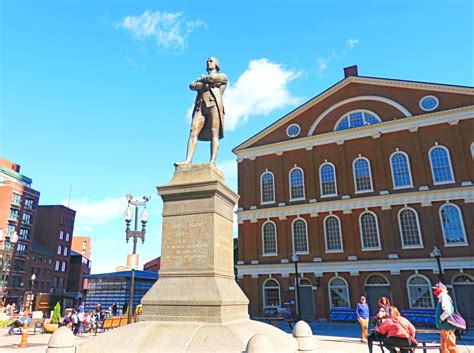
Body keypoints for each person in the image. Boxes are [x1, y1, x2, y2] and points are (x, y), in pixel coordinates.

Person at [176, 57, 228, 166]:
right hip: (200, 105)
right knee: (193, 131)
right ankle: (188, 160)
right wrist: (206, 83)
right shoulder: (203, 78)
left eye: (211, 61)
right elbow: (192, 86)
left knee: (215, 132)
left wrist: (203, 80)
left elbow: (214, 78)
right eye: (207, 61)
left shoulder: (223, 76)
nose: (208, 62)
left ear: (216, 64)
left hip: (214, 104)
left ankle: (212, 161)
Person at [433, 282, 459, 353]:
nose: (435, 291)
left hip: (447, 327)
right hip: (444, 327)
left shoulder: (444, 297)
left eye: (436, 289)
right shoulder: (442, 298)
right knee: (445, 348)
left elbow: (447, 311)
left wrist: (440, 320)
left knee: (451, 346)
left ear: (441, 289)